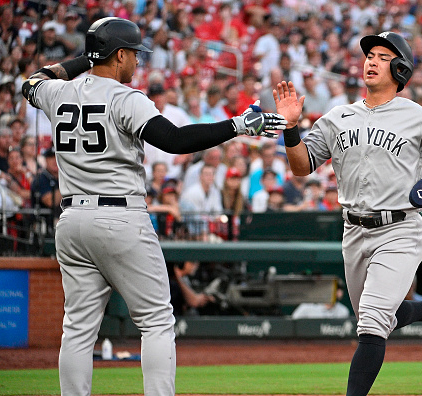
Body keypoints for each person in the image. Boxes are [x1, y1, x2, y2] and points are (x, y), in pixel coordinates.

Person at [21, 17, 285, 396]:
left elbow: (34, 80)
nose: (137, 62)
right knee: (157, 321)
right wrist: (239, 125)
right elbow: (174, 140)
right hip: (118, 215)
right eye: (133, 55)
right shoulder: (126, 98)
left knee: (77, 328)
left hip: (72, 218)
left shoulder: (57, 92)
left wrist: (88, 59)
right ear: (120, 55)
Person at [274, 31, 422, 396]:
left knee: (372, 321)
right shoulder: (339, 116)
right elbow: (303, 166)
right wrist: (291, 130)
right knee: (379, 319)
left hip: (399, 229)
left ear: (400, 68)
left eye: (382, 56)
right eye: (370, 55)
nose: (371, 60)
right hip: (354, 231)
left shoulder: (419, 116)